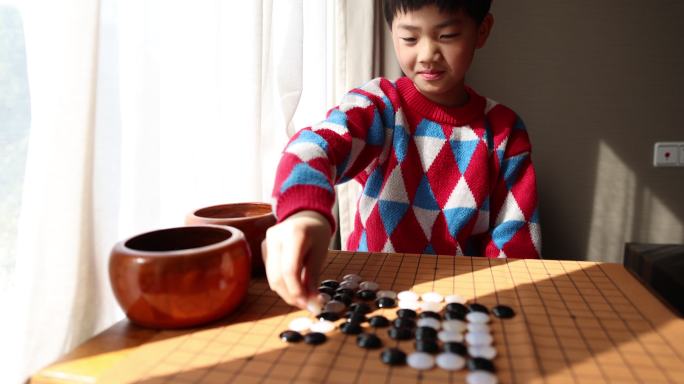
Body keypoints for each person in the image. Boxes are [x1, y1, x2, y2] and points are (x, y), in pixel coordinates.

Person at [263, 0, 541, 310]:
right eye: (409, 38)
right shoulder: (380, 105)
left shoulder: (504, 130)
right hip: (368, 292)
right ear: (392, 32)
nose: (427, 55)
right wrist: (304, 212)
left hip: (457, 300)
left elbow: (516, 245)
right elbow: (312, 147)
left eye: (447, 36)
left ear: (482, 31)